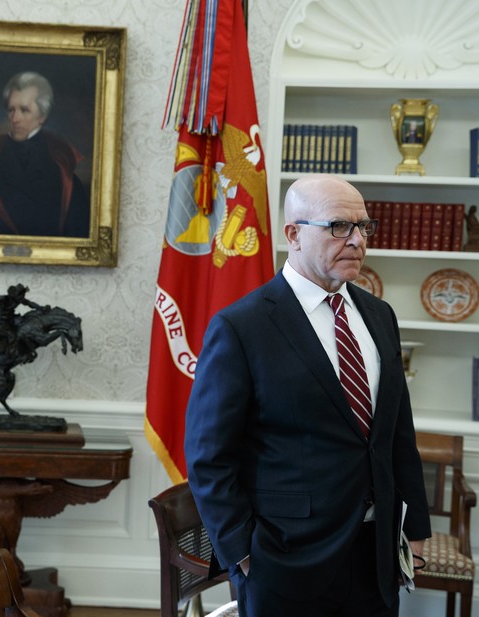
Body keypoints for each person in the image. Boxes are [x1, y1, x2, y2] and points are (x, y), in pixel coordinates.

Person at [184, 174, 431, 617]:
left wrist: (413, 528)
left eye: (363, 226)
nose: (357, 240)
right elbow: (208, 456)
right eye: (339, 226)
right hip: (285, 558)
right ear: (293, 234)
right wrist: (243, 553)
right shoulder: (242, 327)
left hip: (375, 555)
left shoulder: (380, 315)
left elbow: (397, 432)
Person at [0, 71, 90, 237]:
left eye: (24, 110)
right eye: (11, 110)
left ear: (42, 117)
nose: (15, 118)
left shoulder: (65, 176)